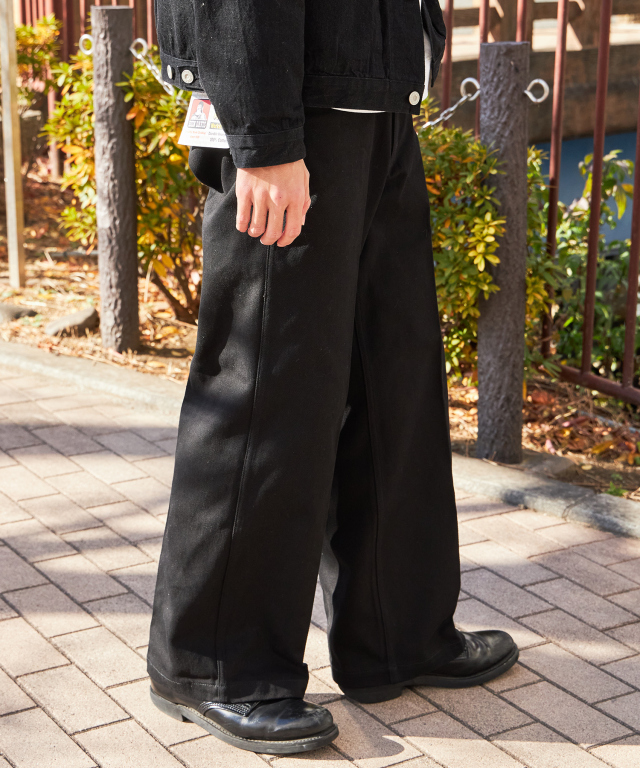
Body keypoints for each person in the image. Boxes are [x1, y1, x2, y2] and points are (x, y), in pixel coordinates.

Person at [148, 0, 519, 756]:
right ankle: (215, 664)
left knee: (394, 378)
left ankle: (398, 634)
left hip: (372, 93)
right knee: (267, 388)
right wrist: (264, 139)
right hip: (293, 104)